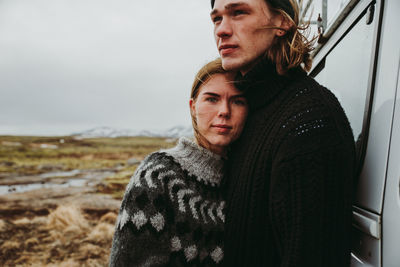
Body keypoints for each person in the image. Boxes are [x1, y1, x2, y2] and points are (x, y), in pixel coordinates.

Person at [209, 0, 356, 266]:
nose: (222, 30)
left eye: (238, 13)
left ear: (282, 22)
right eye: (216, 19)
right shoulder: (250, 112)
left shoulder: (309, 122)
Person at [109, 58, 248, 266]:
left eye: (237, 101)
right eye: (212, 99)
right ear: (193, 107)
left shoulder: (248, 177)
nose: (224, 111)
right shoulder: (158, 175)